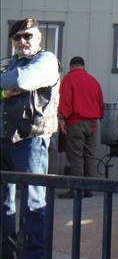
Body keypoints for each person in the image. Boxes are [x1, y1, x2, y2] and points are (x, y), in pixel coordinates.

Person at [0, 18, 60, 259]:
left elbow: (21, 80)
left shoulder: (46, 60)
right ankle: (6, 252)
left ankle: (34, 255)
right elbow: (12, 82)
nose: (23, 41)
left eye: (28, 35)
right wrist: (6, 87)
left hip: (31, 139)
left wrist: (10, 84)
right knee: (4, 201)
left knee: (33, 201)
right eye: (18, 37)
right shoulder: (8, 64)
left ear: (39, 37)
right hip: (4, 138)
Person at [57, 56, 104, 198]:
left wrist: (62, 118)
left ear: (71, 66)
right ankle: (89, 189)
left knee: (76, 157)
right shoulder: (93, 80)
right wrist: (100, 117)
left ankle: (76, 189)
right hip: (92, 124)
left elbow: (65, 100)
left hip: (75, 122)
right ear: (83, 66)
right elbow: (100, 102)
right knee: (89, 156)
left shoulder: (68, 79)